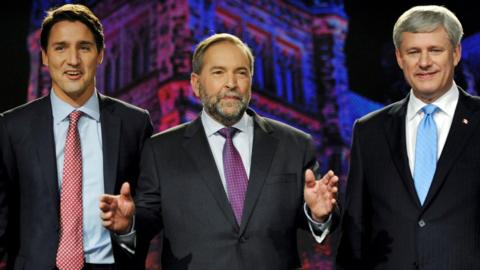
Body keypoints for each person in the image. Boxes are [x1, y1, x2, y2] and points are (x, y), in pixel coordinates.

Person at [99, 33, 339, 269]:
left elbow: (320, 229)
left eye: (241, 73)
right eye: (218, 72)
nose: (231, 83)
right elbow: (148, 219)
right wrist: (128, 224)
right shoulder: (160, 149)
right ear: (195, 83)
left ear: (251, 81)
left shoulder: (295, 143)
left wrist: (318, 215)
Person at [0, 4, 153, 270]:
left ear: (101, 54)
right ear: (45, 56)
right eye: (60, 48)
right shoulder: (12, 127)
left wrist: (129, 226)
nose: (73, 60)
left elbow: (153, 209)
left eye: (84, 47)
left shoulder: (135, 123)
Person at [336, 5, 480, 270]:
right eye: (414, 52)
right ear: (400, 58)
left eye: (435, 50)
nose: (424, 62)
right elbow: (355, 233)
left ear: (456, 53)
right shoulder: (369, 131)